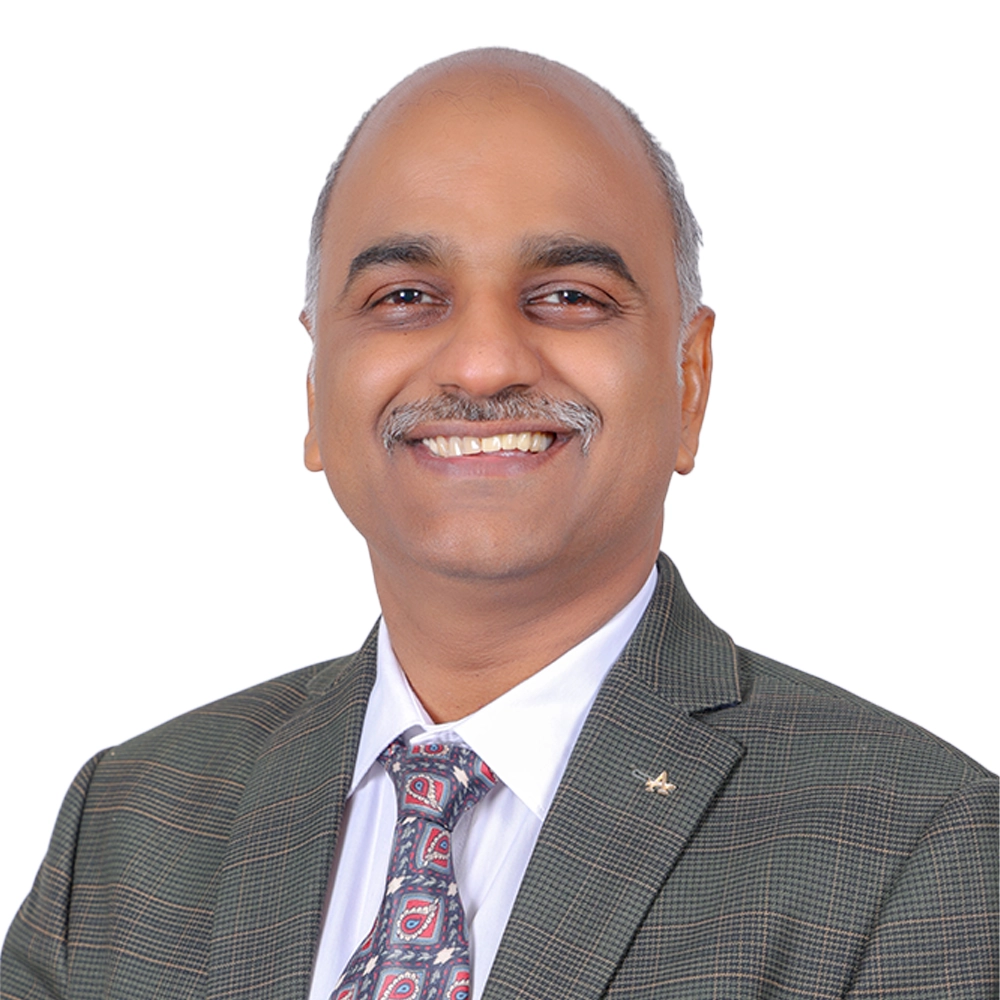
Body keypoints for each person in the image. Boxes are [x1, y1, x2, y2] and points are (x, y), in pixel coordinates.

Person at [3, 47, 996, 1000]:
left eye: (568, 296)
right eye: (404, 297)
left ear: (689, 380)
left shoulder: (918, 847)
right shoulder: (129, 823)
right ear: (313, 387)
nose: (482, 364)